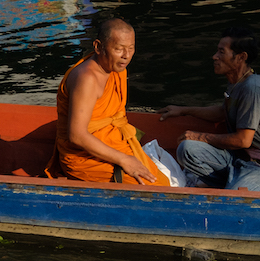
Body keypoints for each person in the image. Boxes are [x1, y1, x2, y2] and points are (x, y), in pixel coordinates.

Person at [44, 18, 158, 184]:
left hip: (111, 142)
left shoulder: (116, 69)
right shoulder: (87, 79)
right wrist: (123, 159)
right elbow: (77, 135)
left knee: (158, 178)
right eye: (119, 49)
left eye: (131, 49)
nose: (126, 56)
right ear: (98, 47)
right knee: (151, 185)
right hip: (83, 157)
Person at [159, 26, 260, 191]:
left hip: (255, 166)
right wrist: (183, 110)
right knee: (187, 148)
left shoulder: (252, 87)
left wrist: (200, 136)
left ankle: (232, 183)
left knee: (235, 195)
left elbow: (243, 140)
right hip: (236, 158)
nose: (215, 57)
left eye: (221, 52)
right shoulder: (236, 83)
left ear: (241, 57)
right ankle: (228, 181)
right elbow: (222, 112)